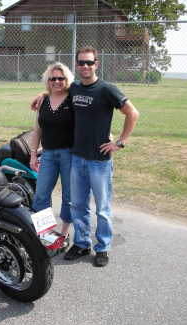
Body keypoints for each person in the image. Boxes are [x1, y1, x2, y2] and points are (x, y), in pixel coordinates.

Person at [31, 46, 139, 267]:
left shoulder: (107, 89)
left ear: (97, 64)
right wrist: (42, 94)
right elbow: (55, 90)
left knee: (102, 207)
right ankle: (81, 243)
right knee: (78, 204)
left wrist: (119, 142)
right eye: (81, 63)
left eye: (89, 63)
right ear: (77, 65)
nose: (85, 66)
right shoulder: (76, 89)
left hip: (99, 161)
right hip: (77, 157)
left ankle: (103, 247)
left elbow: (132, 113)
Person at [30, 62, 75, 249]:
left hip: (70, 155)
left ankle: (63, 235)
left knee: (69, 196)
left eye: (61, 78)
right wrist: (33, 153)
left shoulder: (73, 98)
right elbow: (38, 128)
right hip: (48, 154)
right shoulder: (44, 101)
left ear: (67, 79)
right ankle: (46, 234)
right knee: (41, 195)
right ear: (48, 81)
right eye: (53, 78)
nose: (57, 81)